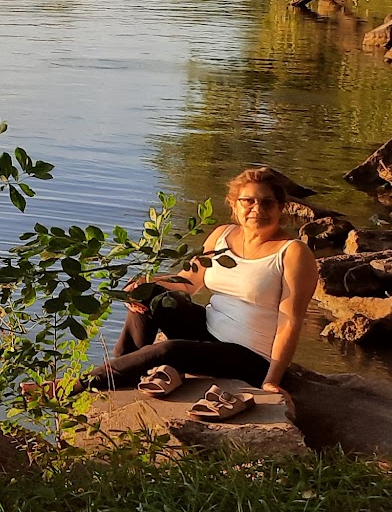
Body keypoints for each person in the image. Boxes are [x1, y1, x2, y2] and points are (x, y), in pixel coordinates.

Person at [80, 165, 316, 395]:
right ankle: (128, 367)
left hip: (250, 356)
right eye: (249, 201)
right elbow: (187, 282)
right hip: (208, 331)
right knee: (150, 294)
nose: (257, 208)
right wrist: (143, 283)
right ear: (234, 204)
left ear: (281, 207)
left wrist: (271, 381)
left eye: (267, 202)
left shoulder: (292, 252)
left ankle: (82, 384)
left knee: (169, 350)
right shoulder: (222, 235)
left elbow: (290, 323)